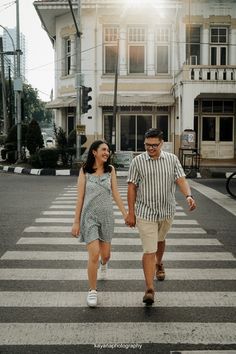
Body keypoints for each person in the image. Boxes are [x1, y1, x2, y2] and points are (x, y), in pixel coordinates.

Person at [126, 128, 196, 305]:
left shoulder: (172, 160)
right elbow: (132, 187)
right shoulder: (138, 162)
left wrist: (188, 195)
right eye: (147, 145)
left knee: (160, 240)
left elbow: (181, 179)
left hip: (166, 210)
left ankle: (160, 263)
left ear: (161, 144)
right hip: (145, 212)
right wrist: (131, 212)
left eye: (154, 145)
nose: (150, 148)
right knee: (149, 249)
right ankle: (149, 288)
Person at [71, 140, 127, 307]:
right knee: (94, 254)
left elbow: (116, 194)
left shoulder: (110, 170)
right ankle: (92, 291)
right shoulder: (84, 171)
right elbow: (80, 197)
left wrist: (126, 214)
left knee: (105, 255)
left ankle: (105, 264)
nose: (106, 152)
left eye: (108, 150)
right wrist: (76, 222)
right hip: (89, 218)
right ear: (94, 152)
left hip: (107, 218)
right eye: (103, 149)